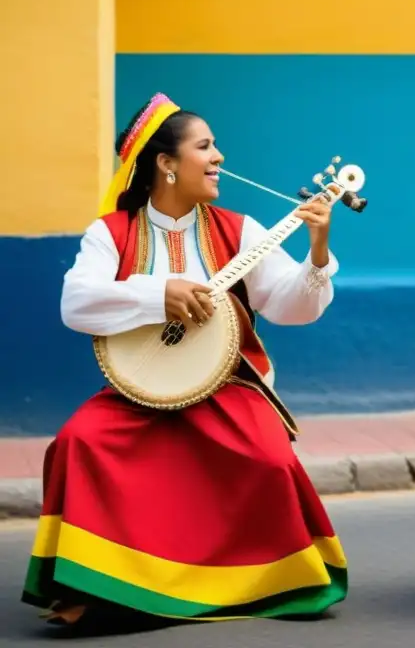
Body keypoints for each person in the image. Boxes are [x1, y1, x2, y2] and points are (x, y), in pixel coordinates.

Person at [21, 93, 348, 628]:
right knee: (78, 442)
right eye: (205, 146)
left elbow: (292, 307)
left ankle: (263, 579)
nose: (219, 156)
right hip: (141, 389)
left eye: (216, 145)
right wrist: (158, 294)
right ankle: (92, 584)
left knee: (269, 460)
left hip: (229, 386)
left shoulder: (238, 230)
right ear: (166, 164)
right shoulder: (112, 232)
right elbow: (75, 304)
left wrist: (317, 250)